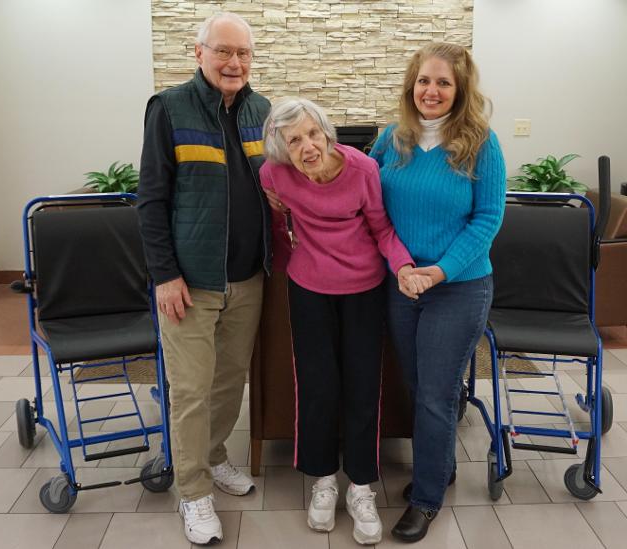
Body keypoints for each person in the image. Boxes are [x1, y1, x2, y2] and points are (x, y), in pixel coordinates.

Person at [261, 97, 431, 546]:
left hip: (363, 288)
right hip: (308, 288)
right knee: (316, 385)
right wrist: (281, 272)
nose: (307, 146)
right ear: (280, 145)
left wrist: (404, 267)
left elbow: (382, 229)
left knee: (361, 384)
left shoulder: (361, 170)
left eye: (313, 133)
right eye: (294, 139)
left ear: (327, 132)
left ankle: (360, 487)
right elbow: (281, 228)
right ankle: (322, 481)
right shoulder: (273, 173)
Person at [137, 12, 271, 546]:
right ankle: (193, 494)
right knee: (191, 390)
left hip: (248, 278)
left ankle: (214, 458)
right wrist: (165, 275)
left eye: (243, 54)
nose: (234, 63)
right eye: (223, 51)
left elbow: (276, 186)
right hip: (189, 284)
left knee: (227, 381)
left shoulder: (263, 111)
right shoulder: (168, 108)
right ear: (199, 53)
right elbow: (151, 200)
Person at [369, 42, 506, 543]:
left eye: (444, 83)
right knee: (416, 383)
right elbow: (365, 198)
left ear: (460, 90)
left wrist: (438, 272)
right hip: (402, 281)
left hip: (459, 286)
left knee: (434, 395)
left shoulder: (480, 143)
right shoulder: (391, 139)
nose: (432, 90)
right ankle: (440, 464)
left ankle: (427, 499)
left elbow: (488, 218)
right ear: (412, 85)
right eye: (424, 81)